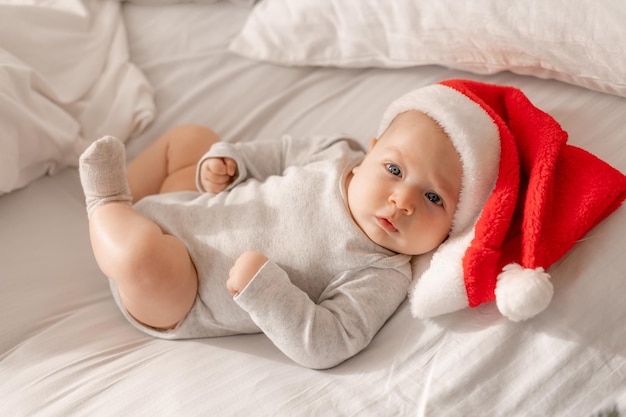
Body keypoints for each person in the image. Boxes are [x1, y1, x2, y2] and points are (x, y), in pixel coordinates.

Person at [79, 81, 499, 369]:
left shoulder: (381, 272)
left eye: (433, 199)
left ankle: (105, 204)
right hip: (194, 204)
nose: (402, 200)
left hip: (180, 291)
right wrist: (231, 164)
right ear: (370, 153)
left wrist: (266, 291)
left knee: (142, 256)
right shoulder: (338, 153)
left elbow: (329, 343)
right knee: (192, 139)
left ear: (454, 224)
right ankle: (119, 221)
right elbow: (277, 155)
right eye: (393, 168)